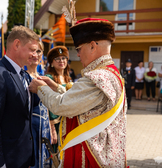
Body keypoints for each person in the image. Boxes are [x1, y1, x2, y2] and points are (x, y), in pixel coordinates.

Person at [29, 18, 127, 167]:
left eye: (79, 49)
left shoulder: (96, 78)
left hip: (91, 158)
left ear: (93, 46)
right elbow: (85, 101)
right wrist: (57, 88)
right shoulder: (112, 74)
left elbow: (61, 105)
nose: (78, 55)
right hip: (108, 154)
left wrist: (40, 89)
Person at [0, 25, 39, 168]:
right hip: (5, 160)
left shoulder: (24, 75)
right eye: (32, 50)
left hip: (22, 159)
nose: (35, 55)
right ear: (17, 44)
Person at [26, 41, 52, 168]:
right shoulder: (23, 76)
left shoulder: (43, 78)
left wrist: (51, 129)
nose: (35, 55)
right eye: (33, 51)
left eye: (39, 51)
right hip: (30, 128)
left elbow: (47, 104)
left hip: (44, 126)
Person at [45, 46, 71, 153]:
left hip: (68, 121)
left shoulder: (68, 78)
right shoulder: (49, 78)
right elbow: (48, 103)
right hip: (56, 123)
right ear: (51, 62)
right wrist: (52, 128)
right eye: (57, 58)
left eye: (64, 58)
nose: (61, 61)